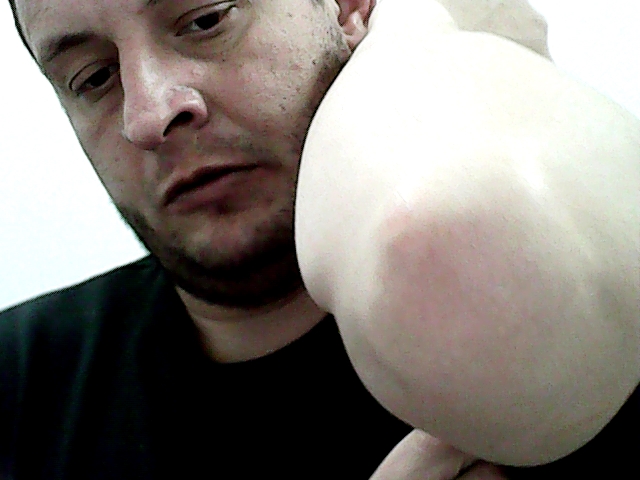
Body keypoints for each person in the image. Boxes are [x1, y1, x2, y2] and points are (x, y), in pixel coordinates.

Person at [1, 0, 637, 478]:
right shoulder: (19, 383)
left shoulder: (564, 320)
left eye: (205, 20)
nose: (149, 114)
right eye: (92, 77)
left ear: (351, 4)